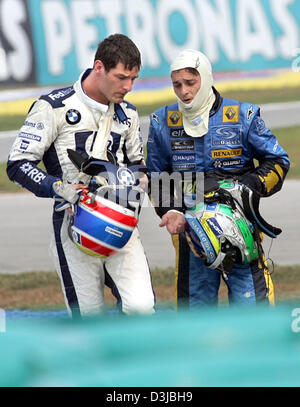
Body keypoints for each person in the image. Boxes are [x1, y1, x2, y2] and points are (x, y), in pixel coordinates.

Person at [7, 34, 155, 318]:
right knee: (89, 319)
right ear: (99, 67)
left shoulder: (129, 114)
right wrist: (57, 186)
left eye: (134, 79)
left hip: (121, 222)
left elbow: (138, 163)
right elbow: (17, 164)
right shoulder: (53, 107)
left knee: (142, 308)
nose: (128, 87)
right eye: (122, 77)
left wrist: (139, 180)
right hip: (73, 227)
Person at [146, 49, 290, 308]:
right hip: (192, 235)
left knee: (253, 313)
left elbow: (279, 161)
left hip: (242, 232)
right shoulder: (161, 122)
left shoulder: (244, 116)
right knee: (196, 317)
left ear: (206, 78)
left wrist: (247, 187)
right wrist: (168, 211)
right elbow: (156, 176)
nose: (184, 91)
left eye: (190, 83)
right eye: (177, 85)